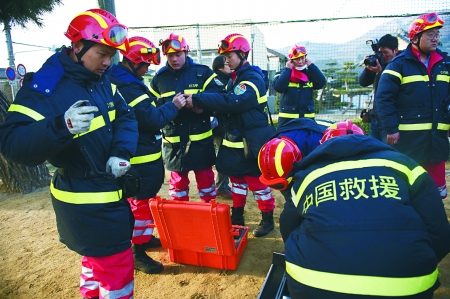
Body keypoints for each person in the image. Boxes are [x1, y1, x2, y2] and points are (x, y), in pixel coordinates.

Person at [0, 9, 138, 299]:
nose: (107, 62)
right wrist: (62, 126)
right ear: (77, 47)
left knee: (93, 262)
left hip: (107, 192)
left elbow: (126, 117)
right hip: (84, 200)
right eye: (102, 53)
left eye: (111, 54)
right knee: (116, 267)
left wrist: (120, 151)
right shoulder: (45, 88)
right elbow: (12, 144)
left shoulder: (102, 79)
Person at [280, 120, 450, 299]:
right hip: (408, 286)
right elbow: (438, 231)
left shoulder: (307, 176)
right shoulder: (406, 165)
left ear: (323, 146)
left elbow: (288, 227)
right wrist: (414, 260)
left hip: (312, 283)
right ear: (365, 140)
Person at [107, 36, 186, 274]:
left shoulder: (125, 80)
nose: (149, 67)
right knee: (139, 206)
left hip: (139, 156)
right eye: (146, 63)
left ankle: (142, 240)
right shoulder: (128, 85)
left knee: (141, 204)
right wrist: (174, 106)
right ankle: (136, 253)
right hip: (139, 159)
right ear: (134, 61)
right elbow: (150, 119)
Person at [185, 33, 276, 237]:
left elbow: (233, 102)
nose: (226, 59)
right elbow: (225, 103)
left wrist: (199, 100)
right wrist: (207, 108)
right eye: (224, 55)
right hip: (235, 143)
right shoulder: (234, 79)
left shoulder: (252, 78)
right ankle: (238, 217)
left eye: (230, 54)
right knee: (237, 183)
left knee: (257, 184)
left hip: (250, 144)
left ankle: (267, 219)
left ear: (243, 54)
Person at [376, 12, 450, 199]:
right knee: (408, 192)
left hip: (436, 143)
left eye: (437, 34)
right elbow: (384, 98)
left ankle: (433, 227)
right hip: (408, 144)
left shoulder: (445, 64)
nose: (435, 39)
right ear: (415, 37)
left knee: (435, 194)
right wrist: (391, 129)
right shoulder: (398, 65)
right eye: (430, 35)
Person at [149, 33, 222, 203]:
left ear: (186, 53)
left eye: (178, 55)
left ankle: (209, 217)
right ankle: (180, 218)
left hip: (201, 144)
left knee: (206, 184)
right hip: (173, 145)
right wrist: (170, 106)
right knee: (177, 187)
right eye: (170, 55)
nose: (174, 59)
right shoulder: (159, 79)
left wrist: (200, 104)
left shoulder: (202, 73)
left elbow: (219, 96)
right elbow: (150, 107)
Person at [258, 118, 327, 201]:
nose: (278, 189)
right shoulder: (274, 145)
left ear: (296, 161)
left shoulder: (320, 145)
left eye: (279, 185)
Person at [272, 45, 326, 128]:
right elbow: (278, 87)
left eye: (302, 58)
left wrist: (312, 66)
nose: (300, 61)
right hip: (287, 121)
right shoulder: (282, 73)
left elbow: (321, 83)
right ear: (291, 60)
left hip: (307, 120)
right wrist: (288, 69)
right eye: (297, 59)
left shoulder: (310, 73)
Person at [359, 34, 398, 140]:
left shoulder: (399, 66)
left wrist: (379, 72)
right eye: (380, 53)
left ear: (396, 51)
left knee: (388, 154)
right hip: (375, 120)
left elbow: (387, 88)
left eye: (386, 53)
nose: (383, 56)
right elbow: (362, 82)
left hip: (390, 122)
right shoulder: (380, 64)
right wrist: (368, 68)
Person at [211, 54, 232, 199]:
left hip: (225, 125)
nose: (229, 64)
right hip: (219, 126)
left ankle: (222, 185)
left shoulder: (227, 79)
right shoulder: (217, 81)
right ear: (219, 67)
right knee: (224, 154)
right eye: (226, 63)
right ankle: (221, 186)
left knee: (226, 154)